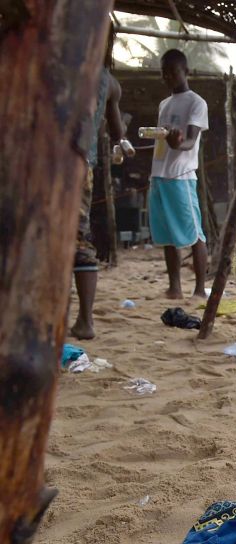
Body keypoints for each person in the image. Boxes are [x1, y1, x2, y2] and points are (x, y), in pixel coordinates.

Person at [71, 24, 127, 340]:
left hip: (46, 164)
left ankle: (83, 321)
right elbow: (119, 133)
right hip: (81, 165)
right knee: (78, 240)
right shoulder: (109, 82)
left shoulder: (59, 62)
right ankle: (85, 321)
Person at [149, 48, 209, 299]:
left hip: (181, 176)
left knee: (194, 234)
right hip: (159, 175)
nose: (168, 77)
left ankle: (198, 289)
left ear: (186, 72)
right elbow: (163, 141)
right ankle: (175, 287)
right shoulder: (164, 104)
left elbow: (191, 140)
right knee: (167, 236)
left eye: (172, 72)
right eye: (164, 73)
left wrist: (178, 143)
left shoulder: (197, 102)